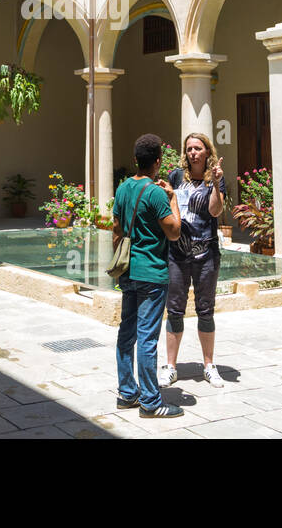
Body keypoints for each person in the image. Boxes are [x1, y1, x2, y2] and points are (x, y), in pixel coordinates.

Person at [113, 133, 183, 419]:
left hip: (128, 271)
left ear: (135, 160)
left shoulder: (123, 189)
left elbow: (116, 229)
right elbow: (174, 231)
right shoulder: (156, 193)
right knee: (147, 339)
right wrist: (174, 198)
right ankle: (151, 403)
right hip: (152, 274)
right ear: (158, 161)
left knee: (126, 332)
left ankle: (127, 393)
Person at [160, 132, 227, 389]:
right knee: (175, 309)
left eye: (198, 149)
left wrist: (217, 184)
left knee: (205, 309)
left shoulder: (216, 178)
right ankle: (170, 367)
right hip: (177, 253)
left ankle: (209, 365)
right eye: (189, 149)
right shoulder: (176, 176)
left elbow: (214, 211)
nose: (193, 153)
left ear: (207, 152)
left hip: (206, 254)